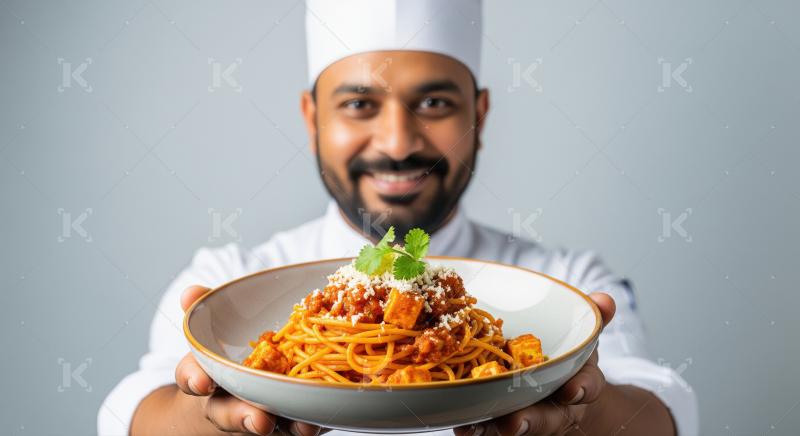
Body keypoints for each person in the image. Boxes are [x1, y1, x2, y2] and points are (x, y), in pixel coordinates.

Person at [98, 0, 698, 435]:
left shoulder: (564, 279)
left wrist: (580, 411)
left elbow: (663, 411)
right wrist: (207, 415)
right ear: (311, 119)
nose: (398, 140)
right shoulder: (231, 273)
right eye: (359, 104)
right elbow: (133, 410)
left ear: (480, 116)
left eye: (434, 103)